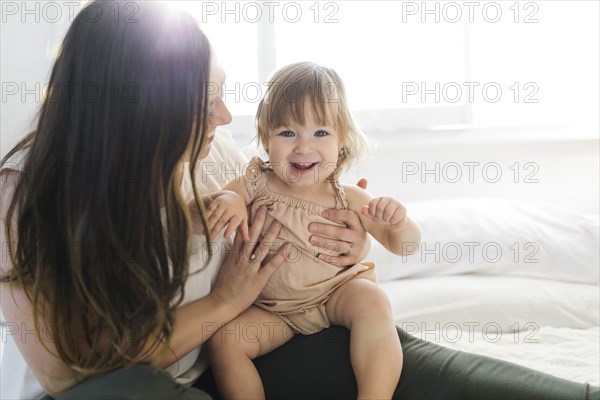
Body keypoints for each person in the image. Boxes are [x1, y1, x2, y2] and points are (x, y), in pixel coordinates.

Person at [0, 2, 598, 400]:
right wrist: (228, 300)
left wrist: (350, 239)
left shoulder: (208, 153)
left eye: (225, 96)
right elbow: (70, 370)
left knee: (423, 366)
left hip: (251, 353)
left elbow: (296, 220)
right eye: (207, 101)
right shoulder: (22, 197)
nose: (226, 118)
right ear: (141, 110)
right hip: (131, 387)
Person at [204, 62, 420, 399]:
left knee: (374, 300)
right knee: (224, 342)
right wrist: (230, 201)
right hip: (273, 310)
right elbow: (229, 194)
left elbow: (404, 246)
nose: (304, 147)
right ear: (265, 137)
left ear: (341, 139)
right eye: (288, 133)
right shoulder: (257, 182)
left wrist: (399, 223)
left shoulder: (348, 197)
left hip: (335, 295)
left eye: (320, 133)